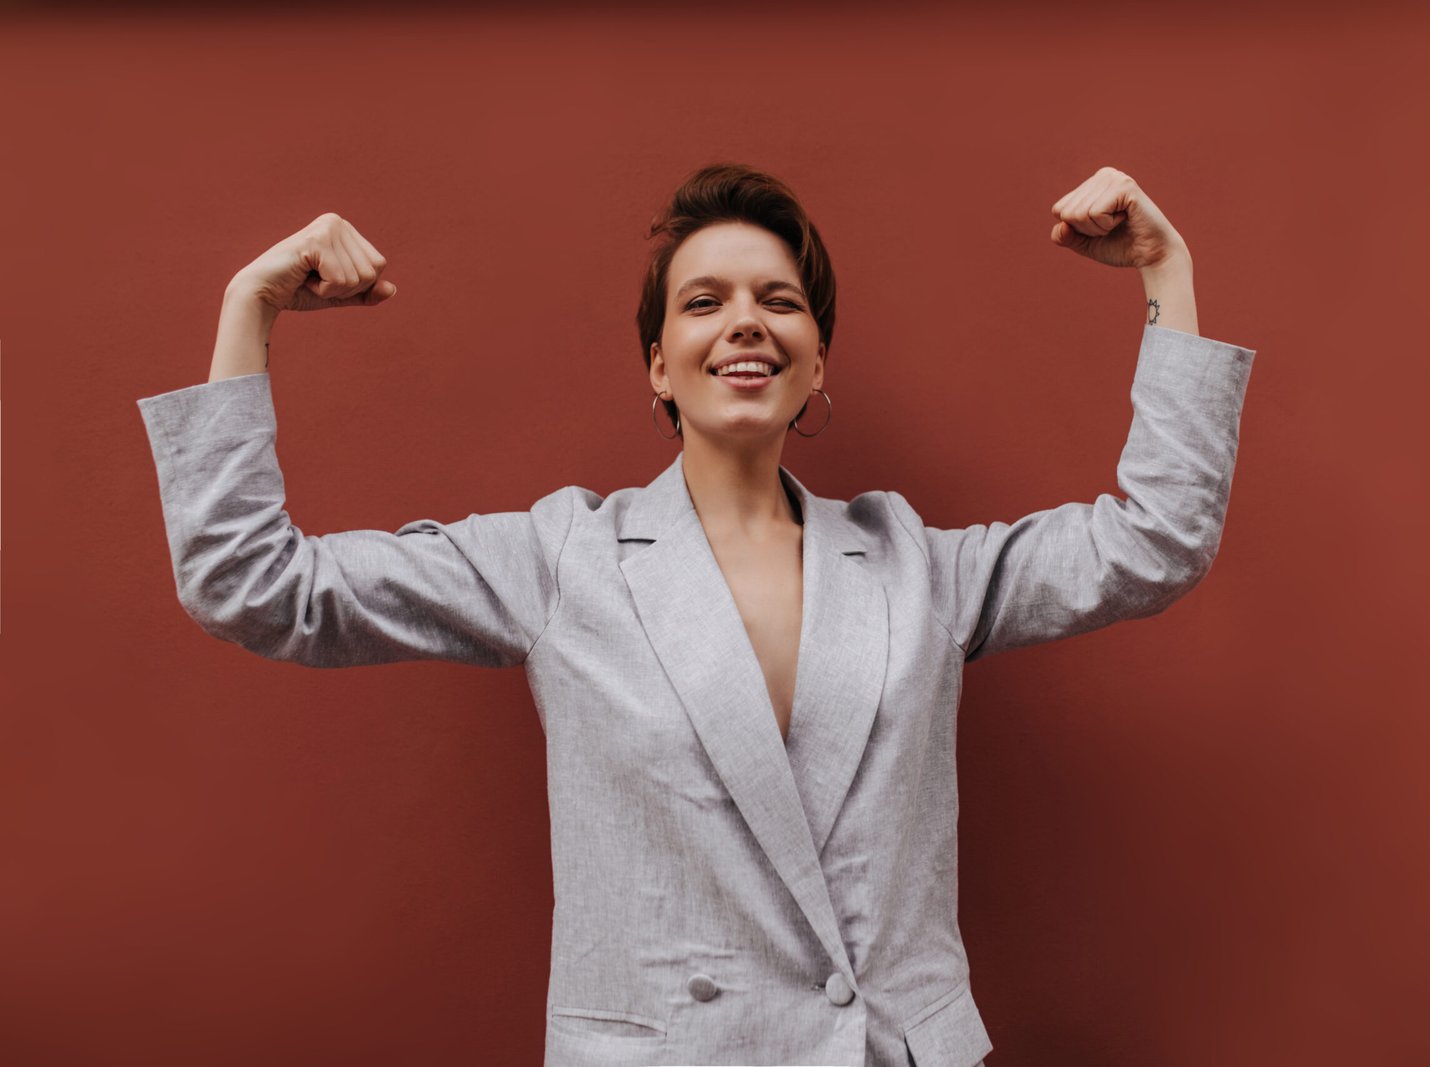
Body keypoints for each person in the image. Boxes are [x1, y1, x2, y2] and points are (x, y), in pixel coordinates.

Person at [136, 162, 1257, 1067]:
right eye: (703, 301)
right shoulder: (560, 557)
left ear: (817, 361)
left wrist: (1167, 270)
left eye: (779, 300)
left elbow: (1153, 541)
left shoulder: (917, 561)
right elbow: (255, 585)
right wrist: (252, 311)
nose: (745, 323)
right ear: (657, 366)